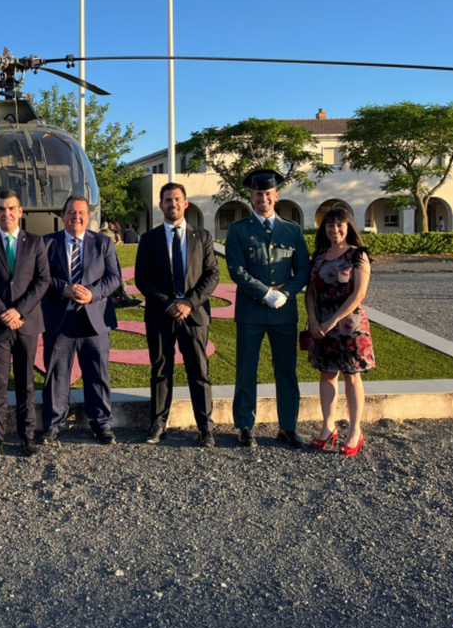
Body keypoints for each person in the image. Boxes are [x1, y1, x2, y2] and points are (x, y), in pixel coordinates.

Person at [225, 169, 310, 449]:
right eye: (258, 194)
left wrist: (285, 294)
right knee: (247, 370)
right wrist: (264, 293)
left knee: (286, 370)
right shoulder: (238, 230)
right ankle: (245, 426)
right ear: (251, 196)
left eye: (268, 193)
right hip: (251, 311)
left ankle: (288, 426)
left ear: (277, 195)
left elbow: (303, 270)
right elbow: (236, 269)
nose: (263, 198)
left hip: (284, 312)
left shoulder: (293, 231)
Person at [135, 183, 219, 447]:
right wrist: (168, 304)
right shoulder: (149, 239)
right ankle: (158, 425)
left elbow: (212, 274)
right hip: (161, 314)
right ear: (161, 205)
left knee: (199, 371)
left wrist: (189, 303)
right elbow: (142, 279)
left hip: (194, 315)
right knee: (161, 371)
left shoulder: (202, 236)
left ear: (186, 203)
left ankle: (205, 428)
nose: (173, 204)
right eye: (168, 200)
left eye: (177, 199)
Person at [39, 195, 122, 445]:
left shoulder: (103, 243)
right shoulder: (46, 243)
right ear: (62, 216)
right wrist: (63, 288)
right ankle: (53, 425)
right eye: (71, 213)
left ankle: (101, 424)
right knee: (56, 375)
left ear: (89, 216)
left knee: (97, 374)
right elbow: (41, 278)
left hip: (94, 319)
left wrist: (92, 294)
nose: (76, 217)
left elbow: (114, 278)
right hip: (60, 318)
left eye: (81, 213)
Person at [0, 189, 50, 458]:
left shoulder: (36, 242)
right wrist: (4, 312)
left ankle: (27, 435)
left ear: (20, 211)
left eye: (11, 209)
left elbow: (43, 281)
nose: (6, 214)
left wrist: (19, 311)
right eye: (1, 209)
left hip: (26, 322)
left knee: (26, 382)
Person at [305, 208, 375, 456]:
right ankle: (328, 427)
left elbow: (360, 293)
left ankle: (355, 431)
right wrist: (313, 319)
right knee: (326, 374)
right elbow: (311, 291)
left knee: (351, 376)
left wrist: (333, 320)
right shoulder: (319, 257)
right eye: (329, 226)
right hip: (322, 326)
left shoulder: (358, 255)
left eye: (339, 225)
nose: (334, 230)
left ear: (348, 227)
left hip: (349, 325)